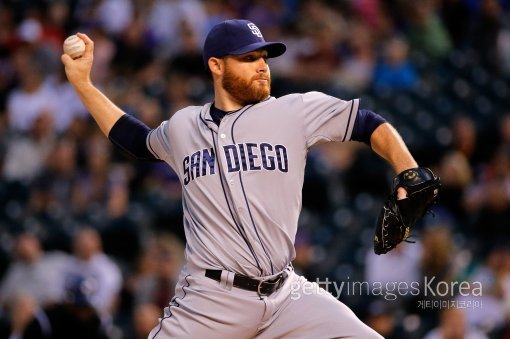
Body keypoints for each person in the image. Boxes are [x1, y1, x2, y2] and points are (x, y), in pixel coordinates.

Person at [62, 19, 422, 338]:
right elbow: (137, 141)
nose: (262, 66)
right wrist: (84, 85)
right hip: (211, 301)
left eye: (264, 57)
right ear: (216, 66)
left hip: (287, 297)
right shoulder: (184, 125)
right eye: (248, 59)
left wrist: (408, 170)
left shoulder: (291, 111)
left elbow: (368, 123)